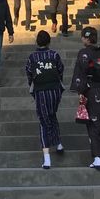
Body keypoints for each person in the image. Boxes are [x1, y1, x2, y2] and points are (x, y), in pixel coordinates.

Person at [71, 26, 100, 170]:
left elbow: (81, 73)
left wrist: (80, 91)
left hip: (92, 91)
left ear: (86, 38)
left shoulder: (84, 53)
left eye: (83, 37)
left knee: (93, 124)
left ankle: (98, 157)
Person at [25, 31, 65, 169]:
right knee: (52, 114)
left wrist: (33, 87)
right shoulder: (54, 55)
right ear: (49, 42)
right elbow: (60, 70)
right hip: (55, 90)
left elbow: (29, 73)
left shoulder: (32, 57)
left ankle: (47, 157)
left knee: (43, 120)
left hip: (41, 90)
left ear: (37, 42)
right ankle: (58, 142)